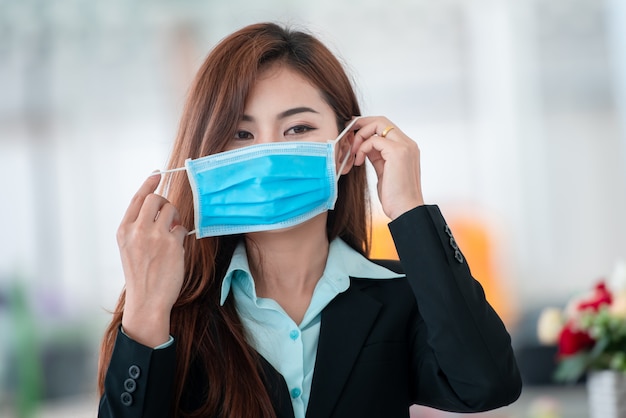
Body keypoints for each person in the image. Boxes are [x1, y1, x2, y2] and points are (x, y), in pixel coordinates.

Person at [97, 22, 522, 418]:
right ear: (209, 155)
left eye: (297, 129)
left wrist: (409, 207)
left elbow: (486, 384)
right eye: (242, 134)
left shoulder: (400, 298)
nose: (267, 154)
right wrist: (148, 307)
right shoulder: (175, 310)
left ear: (345, 147)